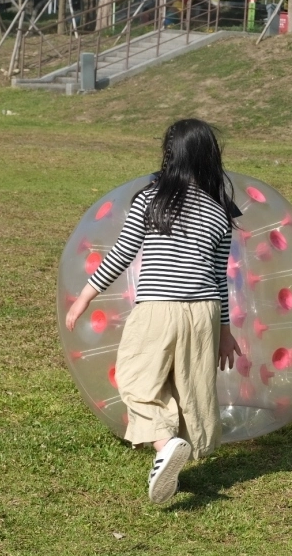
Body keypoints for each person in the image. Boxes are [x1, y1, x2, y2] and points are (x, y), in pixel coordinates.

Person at [65, 119, 242, 504]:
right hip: (204, 313)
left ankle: (165, 445)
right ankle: (177, 449)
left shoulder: (152, 200)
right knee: (187, 386)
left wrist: (84, 296)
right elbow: (219, 275)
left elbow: (121, 253)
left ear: (169, 155)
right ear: (210, 158)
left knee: (136, 379)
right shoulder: (220, 212)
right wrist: (225, 329)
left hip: (159, 308)